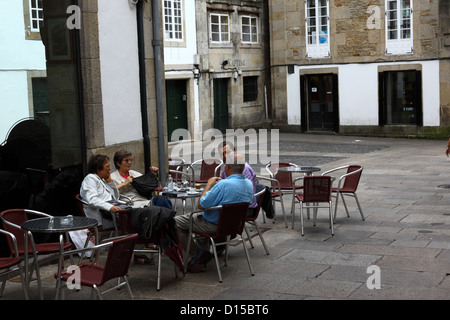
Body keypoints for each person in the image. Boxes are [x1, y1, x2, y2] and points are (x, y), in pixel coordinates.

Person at [174, 155, 254, 272]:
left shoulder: (223, 185)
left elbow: (201, 205)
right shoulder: (248, 183)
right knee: (200, 217)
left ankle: (196, 253)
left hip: (215, 225)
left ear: (227, 168)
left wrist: (209, 185)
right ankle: (201, 255)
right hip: (234, 226)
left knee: (175, 222)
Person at [79, 154, 123, 230]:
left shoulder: (101, 179)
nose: (110, 169)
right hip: (104, 216)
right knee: (136, 217)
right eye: (107, 166)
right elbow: (92, 199)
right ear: (98, 169)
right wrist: (110, 207)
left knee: (140, 213)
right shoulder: (90, 179)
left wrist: (110, 183)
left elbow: (116, 197)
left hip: (114, 209)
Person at [221, 142, 257, 216]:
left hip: (245, 208)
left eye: (228, 152)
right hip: (232, 205)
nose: (225, 156)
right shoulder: (226, 167)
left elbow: (243, 193)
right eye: (222, 154)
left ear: (235, 152)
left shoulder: (243, 168)